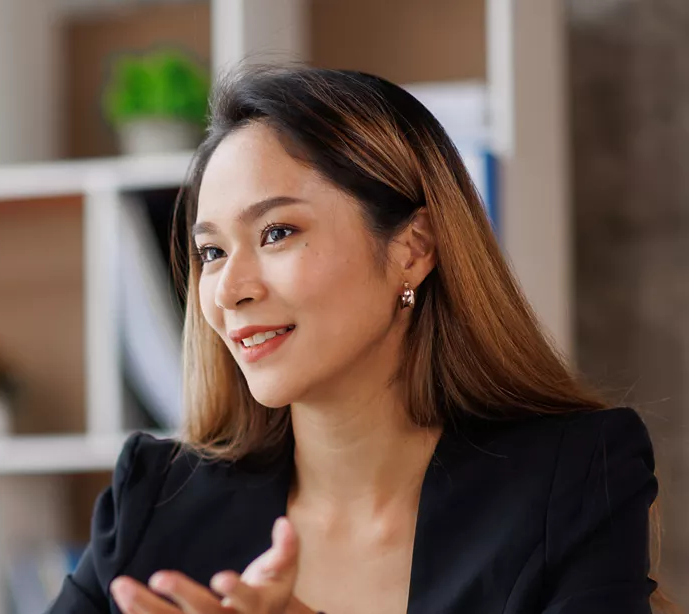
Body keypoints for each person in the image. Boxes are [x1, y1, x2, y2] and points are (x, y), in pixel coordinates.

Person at [47, 67, 662, 614]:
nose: (228, 289)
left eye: (277, 232)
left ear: (412, 248)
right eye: (211, 251)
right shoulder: (152, 501)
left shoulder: (573, 481)